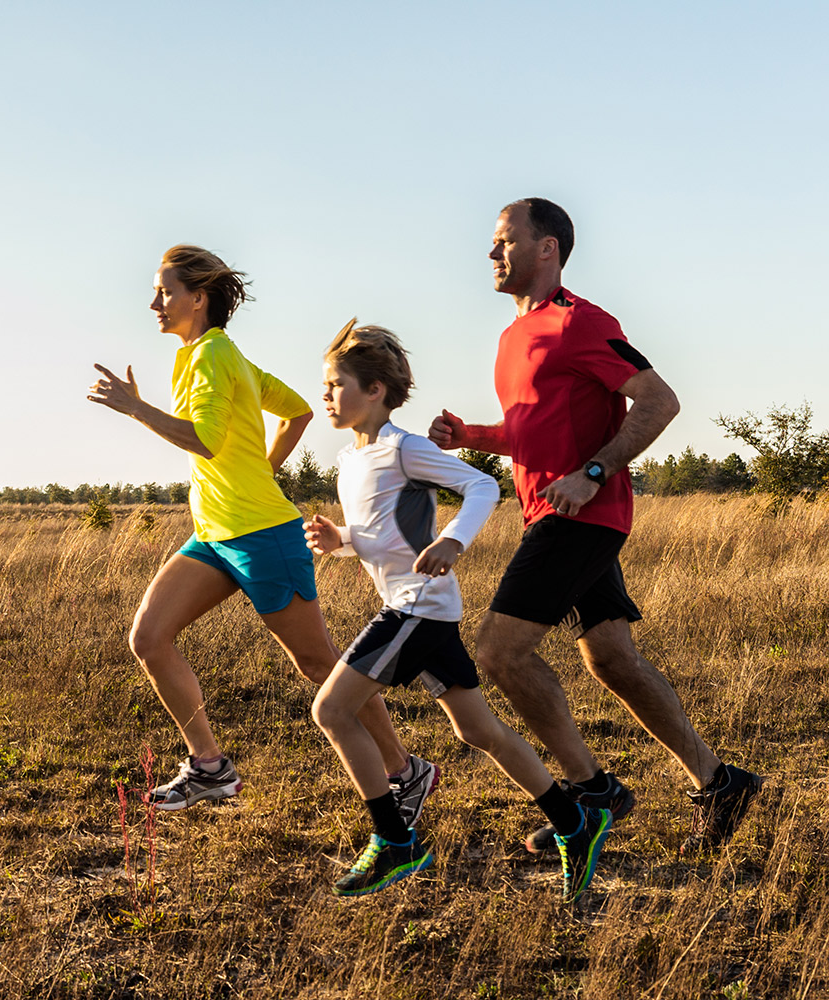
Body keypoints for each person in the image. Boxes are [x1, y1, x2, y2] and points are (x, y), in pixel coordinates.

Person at [429, 198, 762, 857]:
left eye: (504, 241)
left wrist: (595, 470)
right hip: (559, 511)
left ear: (546, 249)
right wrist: (471, 435)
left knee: (499, 653)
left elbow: (660, 400)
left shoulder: (581, 322)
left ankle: (591, 790)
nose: (491, 254)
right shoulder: (511, 338)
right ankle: (720, 783)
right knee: (612, 658)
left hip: (579, 516)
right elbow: (532, 431)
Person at [88, 245, 436, 820]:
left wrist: (137, 409)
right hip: (216, 534)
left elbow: (205, 439)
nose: (154, 302)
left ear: (197, 299)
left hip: (261, 533)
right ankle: (210, 768)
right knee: (149, 637)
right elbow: (299, 410)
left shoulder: (213, 357)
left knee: (319, 662)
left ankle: (406, 769)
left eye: (165, 291)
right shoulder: (219, 356)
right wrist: (260, 470)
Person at [305, 319, 612, 902]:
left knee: (333, 710)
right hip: (423, 608)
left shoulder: (405, 449)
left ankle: (397, 842)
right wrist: (339, 539)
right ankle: (575, 820)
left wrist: (454, 541)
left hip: (416, 609)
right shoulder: (350, 460)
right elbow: (383, 536)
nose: (326, 394)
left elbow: (481, 487)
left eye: (335, 383)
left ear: (374, 391)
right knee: (478, 730)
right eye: (325, 384)